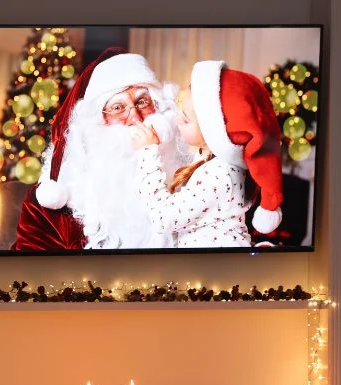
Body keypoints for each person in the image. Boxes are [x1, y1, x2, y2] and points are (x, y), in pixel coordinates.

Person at [14, 48, 190, 251]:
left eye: (142, 101)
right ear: (96, 121)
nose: (136, 119)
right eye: (117, 108)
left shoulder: (194, 181)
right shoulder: (49, 207)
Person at [132, 60, 284, 248]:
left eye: (186, 119)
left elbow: (163, 218)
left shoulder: (220, 173)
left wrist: (147, 153)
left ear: (212, 132)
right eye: (180, 108)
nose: (178, 118)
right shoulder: (209, 159)